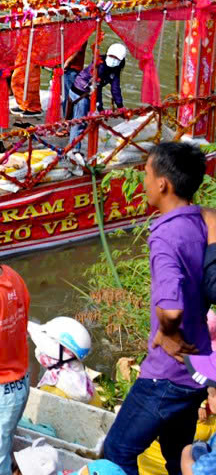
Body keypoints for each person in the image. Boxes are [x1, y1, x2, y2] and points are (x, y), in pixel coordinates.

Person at [102, 150, 210, 475]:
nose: (144, 180)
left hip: (166, 374)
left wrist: (167, 330)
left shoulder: (165, 234)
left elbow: (171, 306)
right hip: (195, 370)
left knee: (116, 451)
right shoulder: (201, 222)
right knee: (179, 458)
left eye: (146, 173)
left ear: (162, 184)